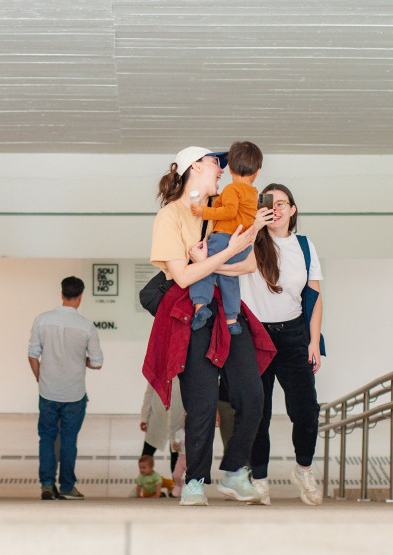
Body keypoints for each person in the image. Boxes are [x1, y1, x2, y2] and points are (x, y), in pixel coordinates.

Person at [142, 146, 276, 506]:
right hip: (194, 315)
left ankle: (234, 472)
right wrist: (227, 254)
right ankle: (195, 482)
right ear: (195, 168)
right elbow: (184, 277)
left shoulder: (226, 206)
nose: (222, 169)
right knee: (201, 404)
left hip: (229, 311)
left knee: (253, 396)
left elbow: (249, 265)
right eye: (216, 163)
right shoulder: (170, 216)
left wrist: (215, 260)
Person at [240, 183, 325, 506]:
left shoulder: (304, 246)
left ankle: (303, 469)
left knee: (306, 409)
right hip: (254, 336)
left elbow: (314, 297)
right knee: (257, 413)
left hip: (293, 335)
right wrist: (253, 226)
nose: (275, 209)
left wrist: (314, 341)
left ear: (292, 210)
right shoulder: (249, 239)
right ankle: (259, 479)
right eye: (268, 203)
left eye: (281, 203)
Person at [28, 276, 104, 500]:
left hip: (48, 391)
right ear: (80, 297)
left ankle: (46, 485)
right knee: (69, 441)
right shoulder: (86, 326)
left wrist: (40, 378)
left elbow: (32, 355)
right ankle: (67, 487)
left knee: (47, 438)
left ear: (62, 294)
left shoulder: (42, 320)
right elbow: (97, 363)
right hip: (74, 394)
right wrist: (82, 360)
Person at [188, 141, 263, 335]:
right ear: (257, 172)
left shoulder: (232, 189)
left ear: (229, 169)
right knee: (229, 278)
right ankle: (232, 319)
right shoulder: (253, 193)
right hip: (242, 248)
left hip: (224, 240)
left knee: (205, 268)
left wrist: (203, 212)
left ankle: (200, 307)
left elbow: (229, 212)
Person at [140, 380, 183, 474]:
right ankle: (144, 481)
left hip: (178, 423)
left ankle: (175, 482)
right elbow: (149, 394)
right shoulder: (155, 372)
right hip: (157, 421)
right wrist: (144, 418)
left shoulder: (184, 374)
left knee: (176, 457)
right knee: (146, 456)